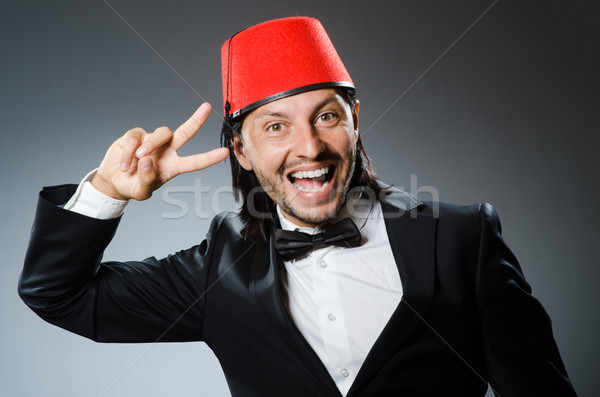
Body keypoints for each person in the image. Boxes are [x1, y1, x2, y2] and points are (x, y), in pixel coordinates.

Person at [19, 16, 576, 397]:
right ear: (241, 147)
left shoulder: (462, 237)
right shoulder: (220, 268)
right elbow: (58, 295)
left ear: (355, 118)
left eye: (327, 116)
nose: (308, 147)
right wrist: (108, 192)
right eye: (276, 126)